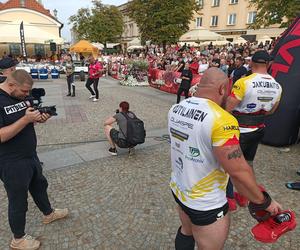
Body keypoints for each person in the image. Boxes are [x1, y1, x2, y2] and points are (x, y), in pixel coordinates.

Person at [168, 68, 282, 250]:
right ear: (222, 88)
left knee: (186, 230)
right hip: (206, 202)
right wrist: (264, 202)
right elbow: (238, 171)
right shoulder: (223, 120)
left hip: (180, 188)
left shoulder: (176, 108)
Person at [0, 70, 68, 250]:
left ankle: (48, 213)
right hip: (10, 161)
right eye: (24, 91)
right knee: (18, 200)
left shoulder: (19, 96)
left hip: (29, 154)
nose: (26, 95)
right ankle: (18, 239)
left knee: (39, 185)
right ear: (11, 85)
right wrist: (25, 119)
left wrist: (38, 118)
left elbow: (26, 118)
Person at [225, 50, 282, 210]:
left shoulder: (244, 82)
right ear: (268, 64)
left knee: (230, 165)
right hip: (258, 129)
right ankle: (244, 196)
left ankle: (229, 198)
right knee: (248, 164)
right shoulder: (277, 86)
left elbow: (227, 108)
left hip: (240, 130)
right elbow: (271, 111)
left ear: (251, 63)